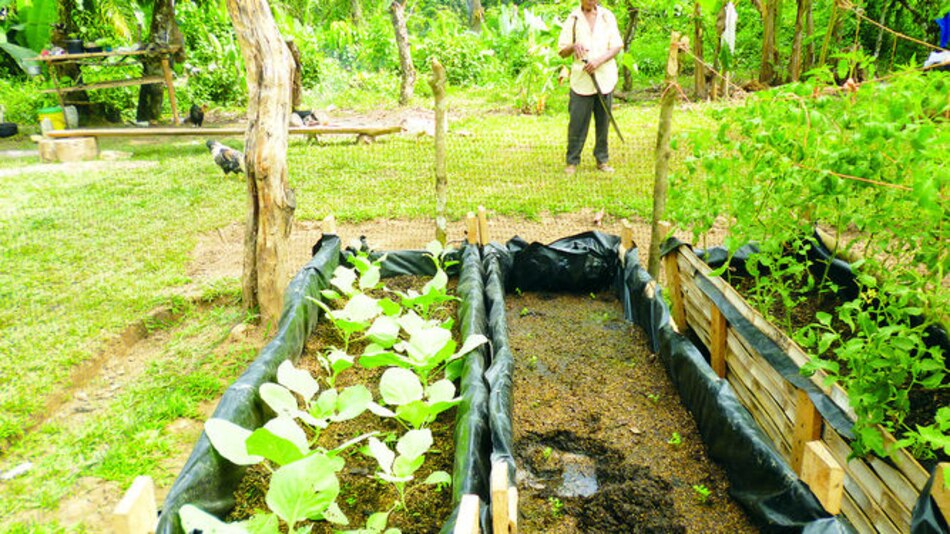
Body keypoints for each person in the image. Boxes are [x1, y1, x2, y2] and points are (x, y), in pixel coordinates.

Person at [557, 0, 623, 175]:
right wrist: (573, 46)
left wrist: (598, 61)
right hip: (581, 79)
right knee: (577, 122)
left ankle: (602, 159)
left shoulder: (607, 17)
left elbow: (617, 46)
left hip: (605, 78)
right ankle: (572, 161)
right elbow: (562, 51)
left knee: (603, 122)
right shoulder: (573, 18)